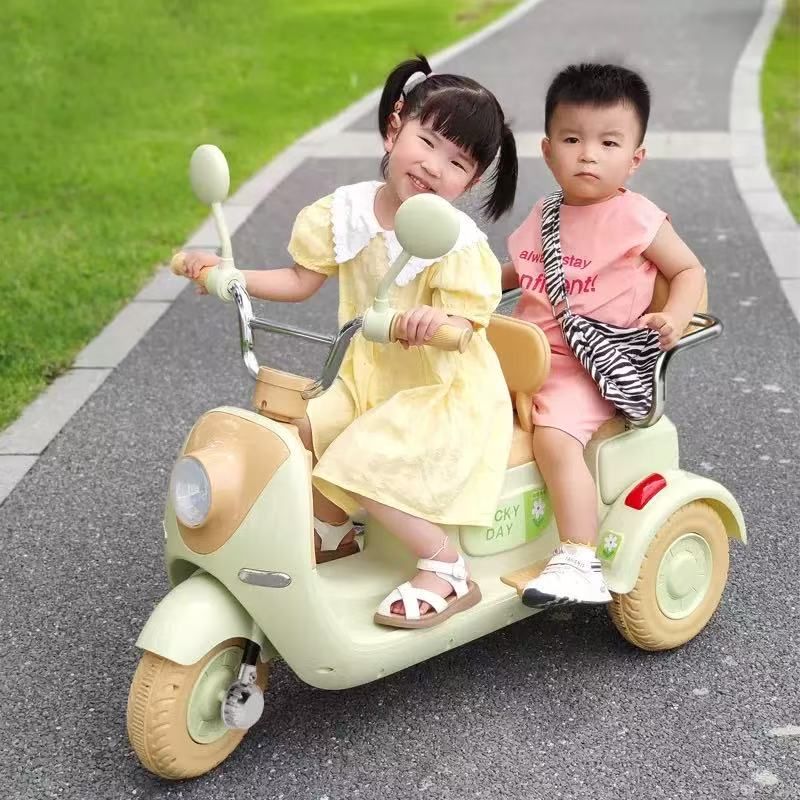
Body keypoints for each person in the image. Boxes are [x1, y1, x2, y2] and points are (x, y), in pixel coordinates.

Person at [178, 55, 518, 629]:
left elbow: (466, 325)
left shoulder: (454, 241)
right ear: (394, 127)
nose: (434, 166)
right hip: (365, 377)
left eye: (457, 162)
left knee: (361, 454)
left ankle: (446, 566)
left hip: (439, 393)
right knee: (300, 430)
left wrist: (432, 322)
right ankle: (334, 531)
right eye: (427, 142)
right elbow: (299, 280)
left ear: (473, 180)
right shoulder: (348, 211)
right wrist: (230, 276)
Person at [502, 63, 706, 607]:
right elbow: (518, 273)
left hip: (586, 366)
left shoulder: (638, 218)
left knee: (553, 438)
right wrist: (463, 282)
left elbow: (689, 271)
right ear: (549, 152)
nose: (588, 154)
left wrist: (674, 316)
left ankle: (579, 557)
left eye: (608, 142)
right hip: (521, 357)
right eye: (572, 140)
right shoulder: (545, 214)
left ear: (635, 158)